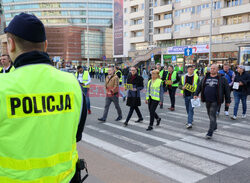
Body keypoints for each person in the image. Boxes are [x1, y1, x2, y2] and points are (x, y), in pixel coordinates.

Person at [1, 13, 87, 182]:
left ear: (10, 44)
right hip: (66, 178)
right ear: (45, 45)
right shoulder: (72, 83)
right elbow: (76, 134)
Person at [194, 64, 231, 139]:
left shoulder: (222, 78)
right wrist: (196, 94)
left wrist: (228, 101)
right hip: (207, 99)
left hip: (216, 100)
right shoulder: (205, 77)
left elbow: (227, 91)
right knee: (209, 114)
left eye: (214, 68)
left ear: (217, 70)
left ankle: (210, 132)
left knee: (212, 115)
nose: (212, 70)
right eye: (211, 68)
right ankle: (215, 126)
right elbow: (199, 86)